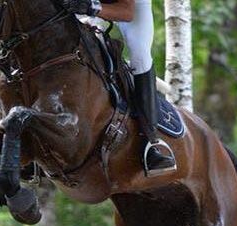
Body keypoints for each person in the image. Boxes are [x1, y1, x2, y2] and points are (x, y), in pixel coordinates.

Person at [60, 0, 176, 176]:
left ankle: (151, 143)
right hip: (94, 6)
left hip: (131, 7)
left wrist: (91, 7)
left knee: (140, 56)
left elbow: (126, 13)